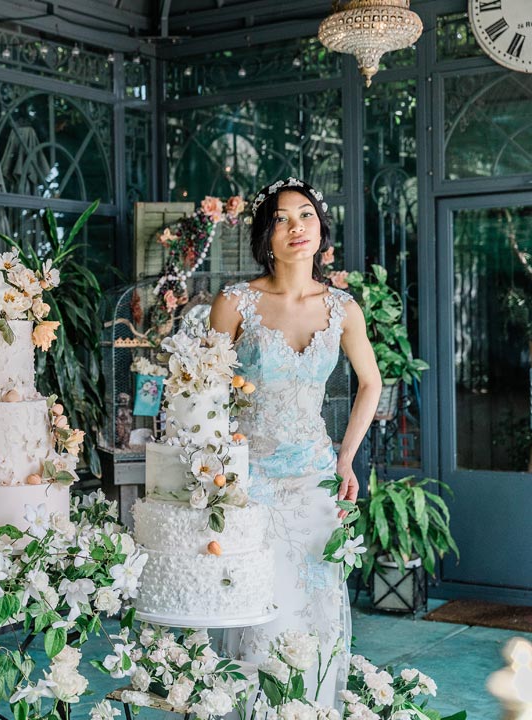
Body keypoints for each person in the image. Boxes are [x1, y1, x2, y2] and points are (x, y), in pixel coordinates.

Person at [209, 178, 381, 703]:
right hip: (250, 481)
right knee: (260, 612)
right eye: (281, 218)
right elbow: (202, 391)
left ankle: (312, 711)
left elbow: (370, 383)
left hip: (314, 481)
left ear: (320, 229)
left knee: (315, 611)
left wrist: (346, 458)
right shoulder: (235, 303)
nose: (295, 227)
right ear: (266, 234)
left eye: (305, 215)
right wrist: (216, 470)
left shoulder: (342, 309)